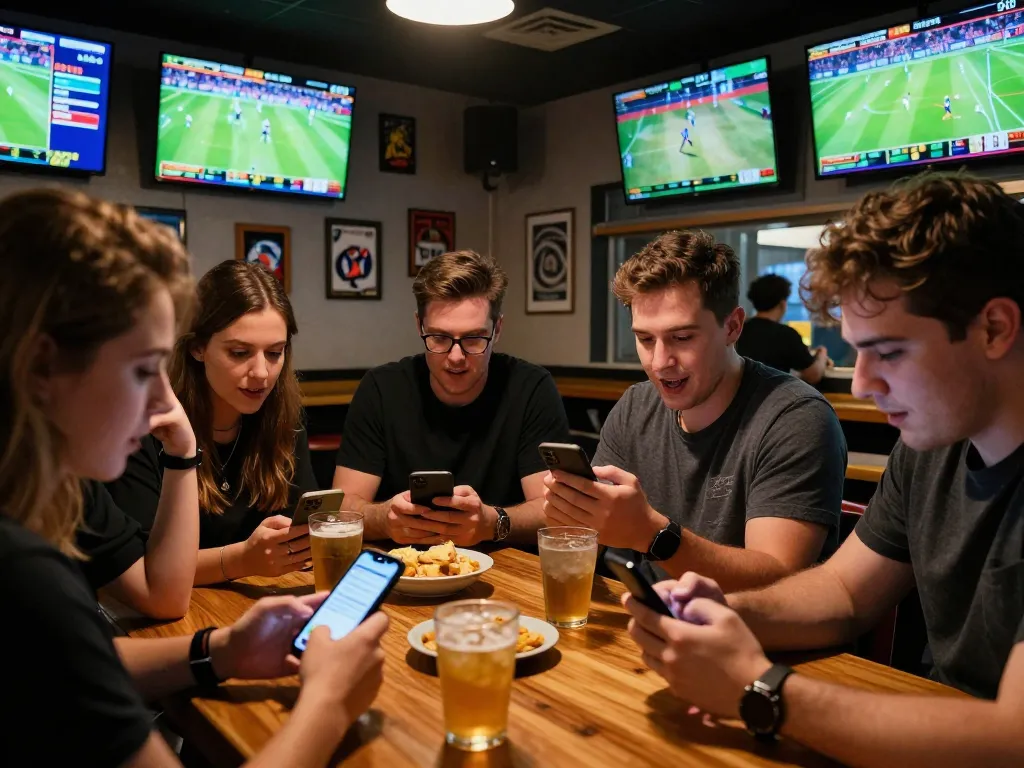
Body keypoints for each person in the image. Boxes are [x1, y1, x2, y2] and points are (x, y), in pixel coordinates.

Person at [622, 173, 1024, 765]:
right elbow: (843, 594)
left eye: (888, 351)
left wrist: (760, 691)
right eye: (855, 351)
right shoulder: (930, 445)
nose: (861, 383)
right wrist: (722, 613)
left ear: (993, 328)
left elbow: (1011, 740)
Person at [0, 188, 388, 767]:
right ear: (40, 369)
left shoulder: (46, 512)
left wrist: (223, 649)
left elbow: (85, 660)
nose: (163, 400)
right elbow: (144, 607)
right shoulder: (22, 571)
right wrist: (328, 701)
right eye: (139, 370)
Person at [542, 231, 846, 592]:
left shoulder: (796, 418)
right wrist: (577, 514)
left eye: (682, 338)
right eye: (645, 339)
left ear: (732, 326)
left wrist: (652, 534)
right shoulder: (635, 406)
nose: (659, 363)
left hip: (749, 642)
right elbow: (591, 543)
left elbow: (778, 582)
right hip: (646, 622)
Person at [333, 249, 571, 547]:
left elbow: (554, 511)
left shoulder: (531, 388)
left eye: (473, 339)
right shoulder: (381, 389)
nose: (456, 356)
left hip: (505, 571)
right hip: (403, 569)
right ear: (420, 325)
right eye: (439, 338)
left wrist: (493, 522)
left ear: (497, 330)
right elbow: (341, 510)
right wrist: (386, 519)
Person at [106, 260, 319, 585]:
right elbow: (142, 571)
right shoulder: (148, 427)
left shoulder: (283, 421)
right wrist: (243, 559)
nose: (261, 372)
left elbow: (300, 535)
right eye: (239, 353)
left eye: (275, 353)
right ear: (197, 347)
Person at [736, 273, 830, 384]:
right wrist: (822, 354)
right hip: (774, 398)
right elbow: (813, 375)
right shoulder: (786, 335)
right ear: (782, 304)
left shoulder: (739, 330)